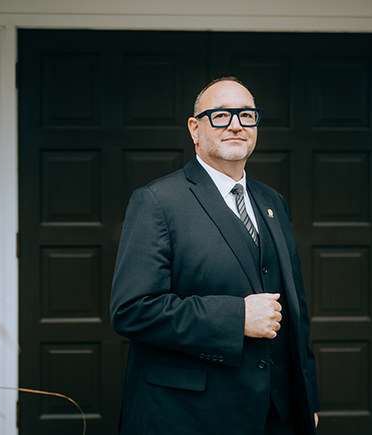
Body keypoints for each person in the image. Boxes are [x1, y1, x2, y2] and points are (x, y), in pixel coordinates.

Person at [110, 77, 320, 434]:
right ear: (195, 128)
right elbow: (132, 310)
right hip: (189, 415)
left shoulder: (272, 202)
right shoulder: (157, 201)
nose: (236, 124)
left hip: (276, 416)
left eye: (247, 115)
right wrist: (236, 317)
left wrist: (307, 400)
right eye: (221, 115)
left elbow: (296, 314)